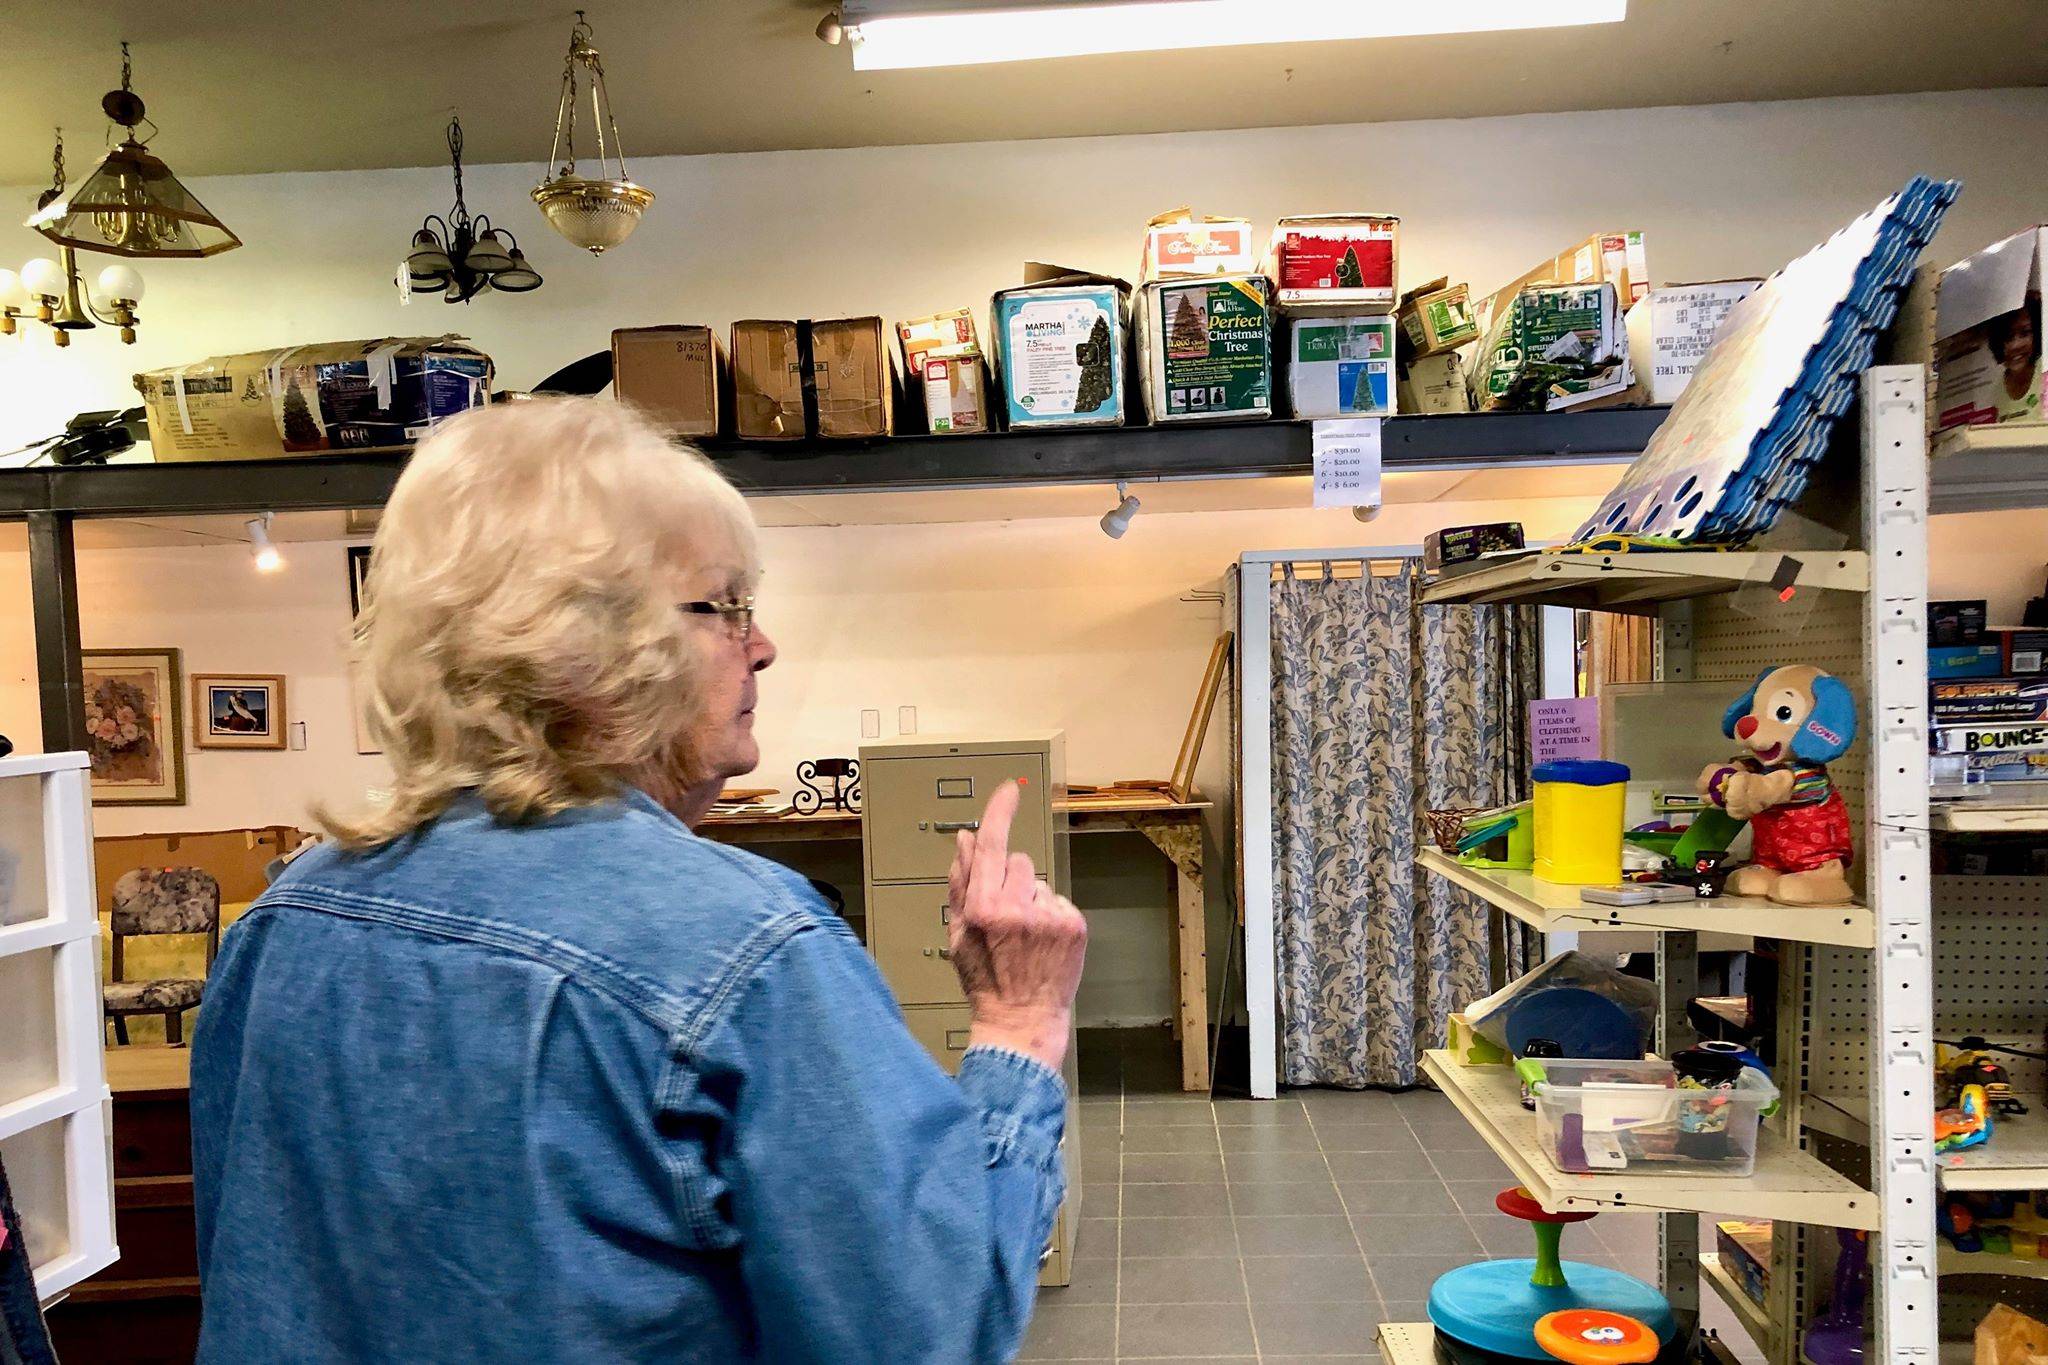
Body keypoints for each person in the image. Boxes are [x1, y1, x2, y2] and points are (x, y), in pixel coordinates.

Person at [189, 399, 1088, 1364]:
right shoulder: (745, 950)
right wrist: (1017, 1028)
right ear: (590, 644)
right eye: (726, 604)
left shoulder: (282, 920)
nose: (763, 643)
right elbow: (927, 1333)